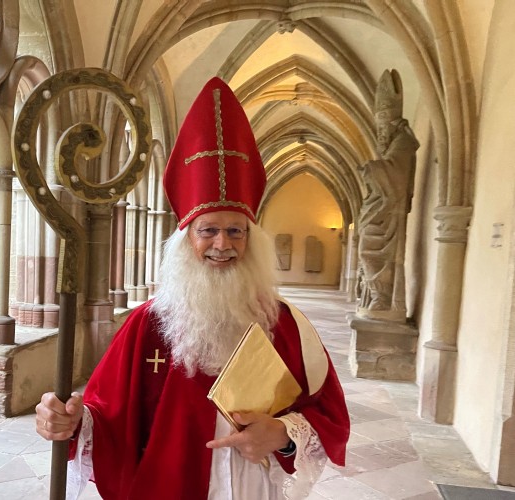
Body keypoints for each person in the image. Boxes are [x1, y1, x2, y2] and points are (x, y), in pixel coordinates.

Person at [36, 77, 350, 500]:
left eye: (236, 231)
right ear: (185, 241)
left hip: (251, 488)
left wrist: (282, 434)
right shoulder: (147, 323)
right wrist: (70, 420)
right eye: (209, 231)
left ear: (251, 239)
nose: (223, 245)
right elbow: (103, 414)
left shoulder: (285, 324)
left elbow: (329, 415)